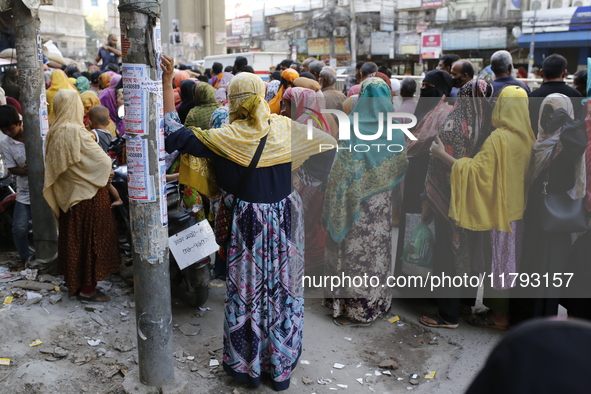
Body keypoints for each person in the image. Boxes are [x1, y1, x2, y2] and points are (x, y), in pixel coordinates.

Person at [160, 54, 336, 390]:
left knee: (248, 293)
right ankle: (280, 366)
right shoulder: (285, 129)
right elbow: (327, 145)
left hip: (248, 222)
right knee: (284, 290)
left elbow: (173, 132)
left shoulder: (226, 138)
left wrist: (169, 81)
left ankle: (248, 368)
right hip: (286, 215)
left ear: (234, 101)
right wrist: (294, 175)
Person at [428, 86, 535, 330]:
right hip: (517, 209)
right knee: (506, 264)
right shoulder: (527, 135)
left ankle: (499, 318)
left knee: (498, 264)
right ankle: (496, 312)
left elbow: (475, 171)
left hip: (498, 211)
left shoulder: (499, 138)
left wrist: (441, 154)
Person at [323, 77, 408, 327]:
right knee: (375, 255)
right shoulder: (394, 131)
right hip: (379, 208)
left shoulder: (351, 130)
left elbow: (339, 173)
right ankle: (375, 304)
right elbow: (400, 165)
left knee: (353, 254)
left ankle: (348, 307)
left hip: (353, 205)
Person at [419, 79, 494, 329]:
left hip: (451, 199)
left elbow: (437, 164)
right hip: (476, 198)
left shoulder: (453, 123)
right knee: (469, 251)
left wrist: (429, 198)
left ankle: (447, 314)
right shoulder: (489, 125)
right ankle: (464, 302)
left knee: (448, 254)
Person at [510, 94, 587, 326]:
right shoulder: (539, 138)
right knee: (530, 267)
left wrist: (567, 123)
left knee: (548, 273)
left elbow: (578, 143)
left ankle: (540, 324)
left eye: (557, 112)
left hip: (556, 219)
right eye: (547, 112)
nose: (550, 117)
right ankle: (522, 320)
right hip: (534, 214)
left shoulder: (568, 139)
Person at [43, 89, 120, 302]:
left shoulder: (53, 131)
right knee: (92, 243)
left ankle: (75, 285)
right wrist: (106, 173)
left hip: (68, 198)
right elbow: (103, 162)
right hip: (89, 197)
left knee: (75, 242)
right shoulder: (76, 132)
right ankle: (88, 289)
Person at [0, 105, 32, 263]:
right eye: (3, 130)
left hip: (46, 187)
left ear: (19, 122)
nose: (7, 133)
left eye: (10, 128)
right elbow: (12, 168)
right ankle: (26, 259)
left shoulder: (35, 133)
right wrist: (27, 170)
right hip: (25, 190)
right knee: (19, 228)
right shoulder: (5, 143)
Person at [529, 54, 583, 136]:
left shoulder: (532, 96)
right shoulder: (576, 95)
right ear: (564, 73)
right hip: (569, 145)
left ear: (541, 73)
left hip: (537, 144)